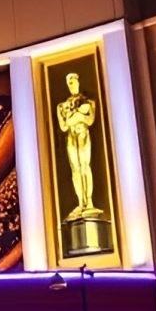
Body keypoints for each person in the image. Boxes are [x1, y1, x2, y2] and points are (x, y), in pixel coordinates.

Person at [55, 72, 102, 221]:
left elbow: (90, 120)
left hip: (83, 134)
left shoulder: (88, 102)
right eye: (70, 83)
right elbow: (63, 126)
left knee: (85, 166)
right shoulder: (62, 106)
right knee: (75, 169)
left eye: (74, 82)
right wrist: (72, 118)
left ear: (78, 82)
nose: (72, 85)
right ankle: (80, 202)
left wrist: (78, 117)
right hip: (71, 136)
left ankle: (89, 201)